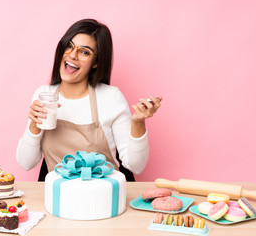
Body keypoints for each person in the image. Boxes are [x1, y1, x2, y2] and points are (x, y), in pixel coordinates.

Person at [16, 18, 161, 177]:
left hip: (103, 196)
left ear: (96, 62)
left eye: (84, 52)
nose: (72, 55)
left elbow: (136, 166)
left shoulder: (110, 97)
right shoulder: (44, 95)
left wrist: (138, 123)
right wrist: (35, 126)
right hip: (59, 197)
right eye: (69, 46)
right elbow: (26, 163)